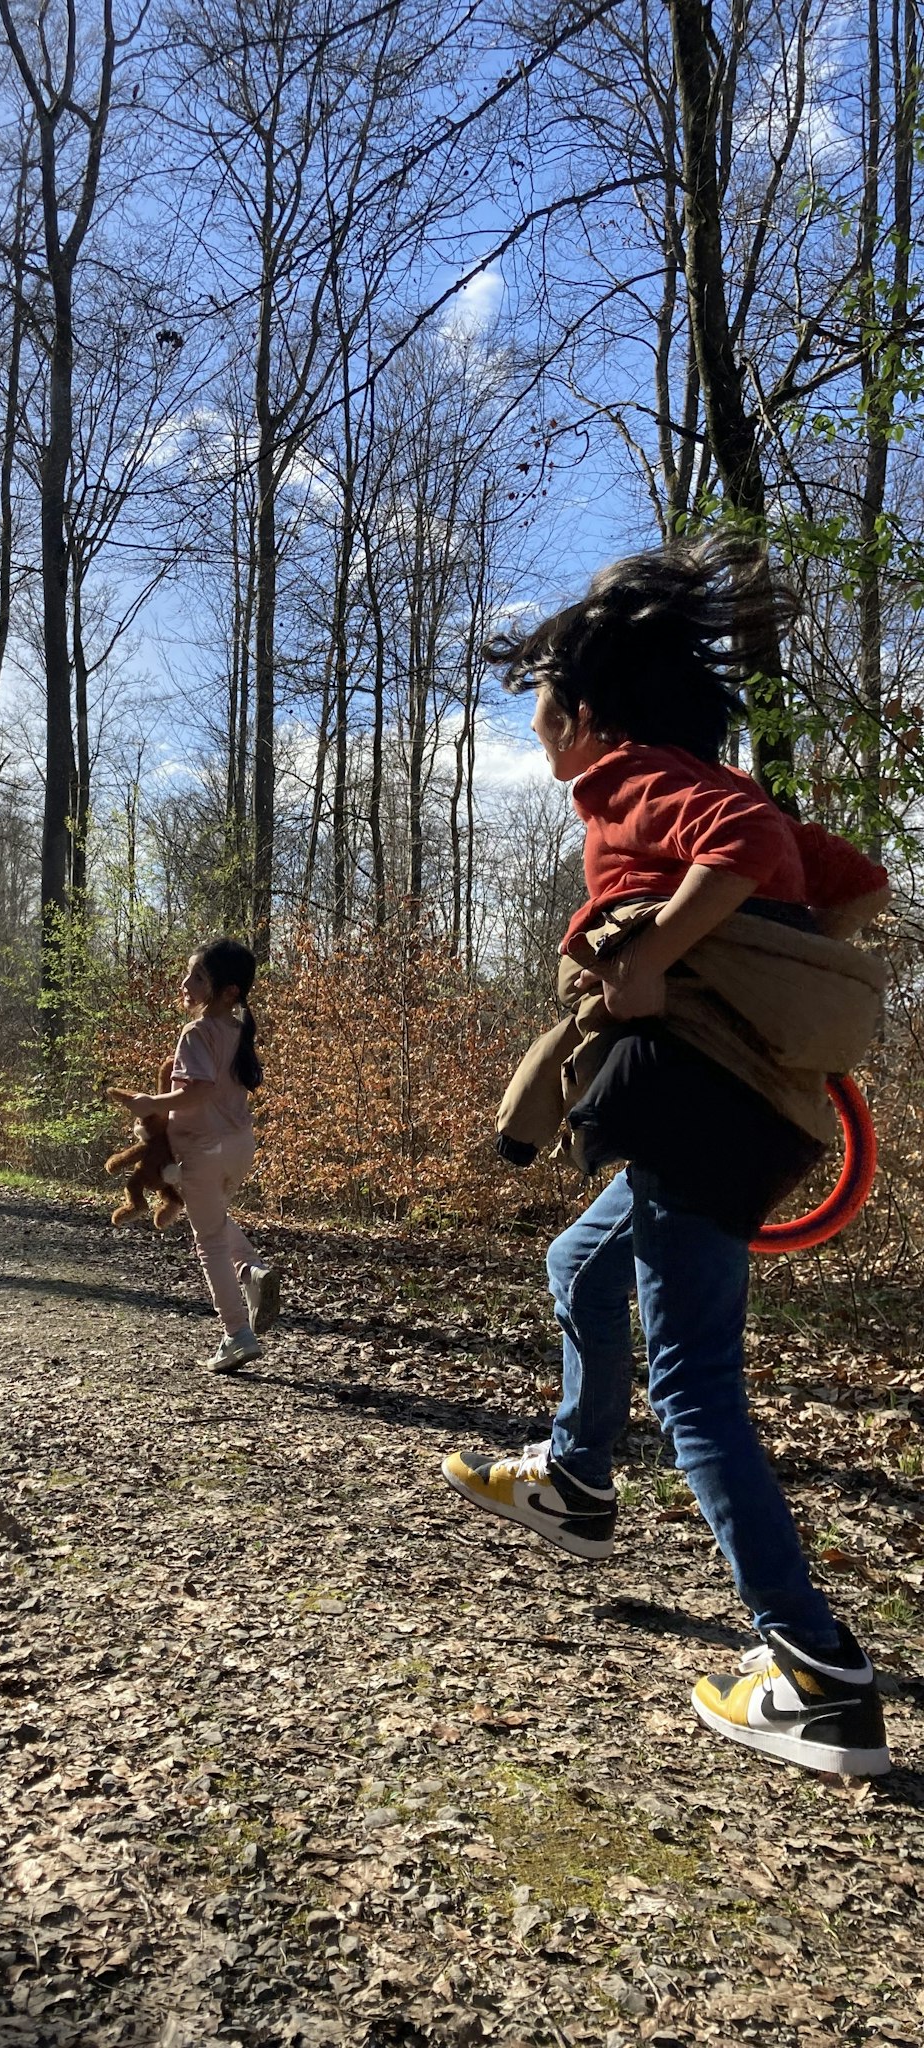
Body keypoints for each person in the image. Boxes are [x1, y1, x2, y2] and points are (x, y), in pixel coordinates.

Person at [441, 536, 893, 1777]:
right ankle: (581, 1482)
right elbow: (855, 881)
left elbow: (742, 842)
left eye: (543, 701)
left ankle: (818, 1670)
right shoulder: (688, 770)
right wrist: (766, 968)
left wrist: (655, 958)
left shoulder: (627, 776)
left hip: (697, 1101)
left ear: (582, 712)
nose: (537, 725)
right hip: (751, 1108)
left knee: (694, 1380)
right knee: (580, 1263)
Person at [115, 938, 279, 1373]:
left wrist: (151, 1104)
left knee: (208, 1240)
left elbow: (197, 1091)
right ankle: (252, 1273)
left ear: (227, 992)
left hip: (203, 1149)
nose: (186, 982)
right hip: (239, 1148)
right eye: (189, 973)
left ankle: (237, 1334)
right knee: (215, 1218)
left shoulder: (197, 1031)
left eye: (199, 976)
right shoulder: (239, 1028)